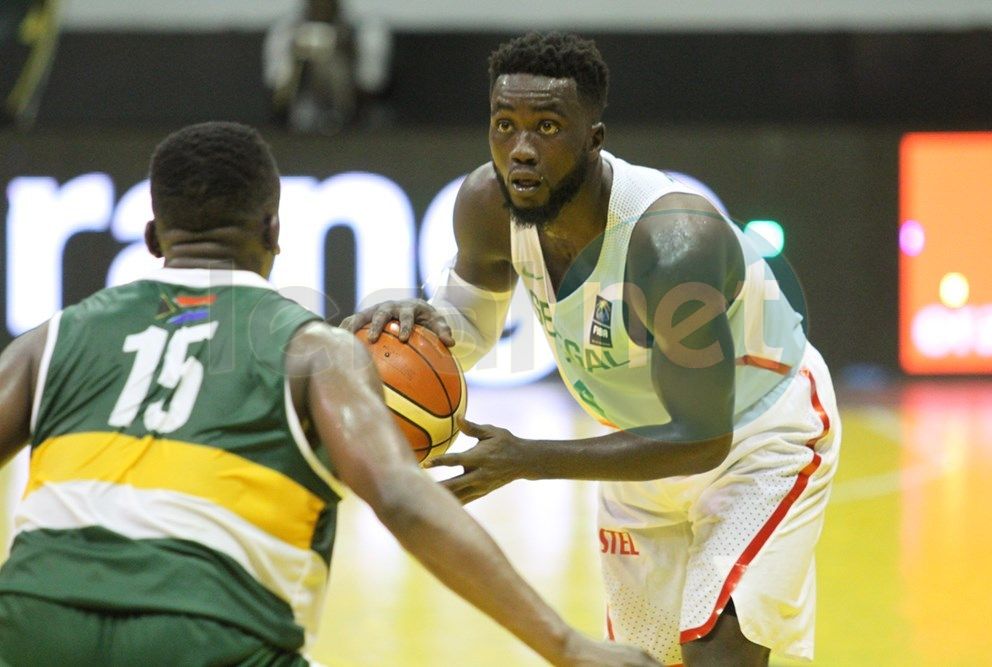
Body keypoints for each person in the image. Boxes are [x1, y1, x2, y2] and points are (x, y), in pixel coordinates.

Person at [0, 121, 659, 666]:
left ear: (151, 239)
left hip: (31, 625)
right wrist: (568, 646)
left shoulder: (50, 339)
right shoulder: (317, 349)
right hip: (210, 633)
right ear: (274, 233)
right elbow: (402, 500)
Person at [343, 32, 841, 667]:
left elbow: (704, 437)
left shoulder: (672, 240)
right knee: (638, 660)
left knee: (718, 655)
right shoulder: (486, 207)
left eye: (547, 126)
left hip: (755, 439)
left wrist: (528, 458)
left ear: (594, 139)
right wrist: (424, 326)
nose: (520, 150)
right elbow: (468, 327)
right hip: (638, 450)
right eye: (504, 125)